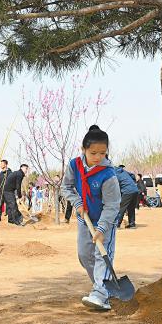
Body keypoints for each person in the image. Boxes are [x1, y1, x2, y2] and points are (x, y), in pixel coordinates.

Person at [62, 125, 121, 311]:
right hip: (85, 218)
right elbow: (66, 187)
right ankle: (103, 286)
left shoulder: (108, 174)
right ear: (83, 149)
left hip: (105, 221)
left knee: (101, 255)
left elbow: (112, 205)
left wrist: (102, 229)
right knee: (84, 255)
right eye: (93, 153)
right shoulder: (74, 165)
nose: (98, 157)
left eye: (102, 153)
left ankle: (101, 294)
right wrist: (77, 202)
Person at [114, 164, 139, 229]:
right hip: (135, 190)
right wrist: (133, 183)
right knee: (131, 208)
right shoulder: (123, 171)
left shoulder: (114, 173)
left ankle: (117, 224)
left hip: (127, 191)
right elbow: (132, 175)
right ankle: (132, 224)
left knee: (121, 208)